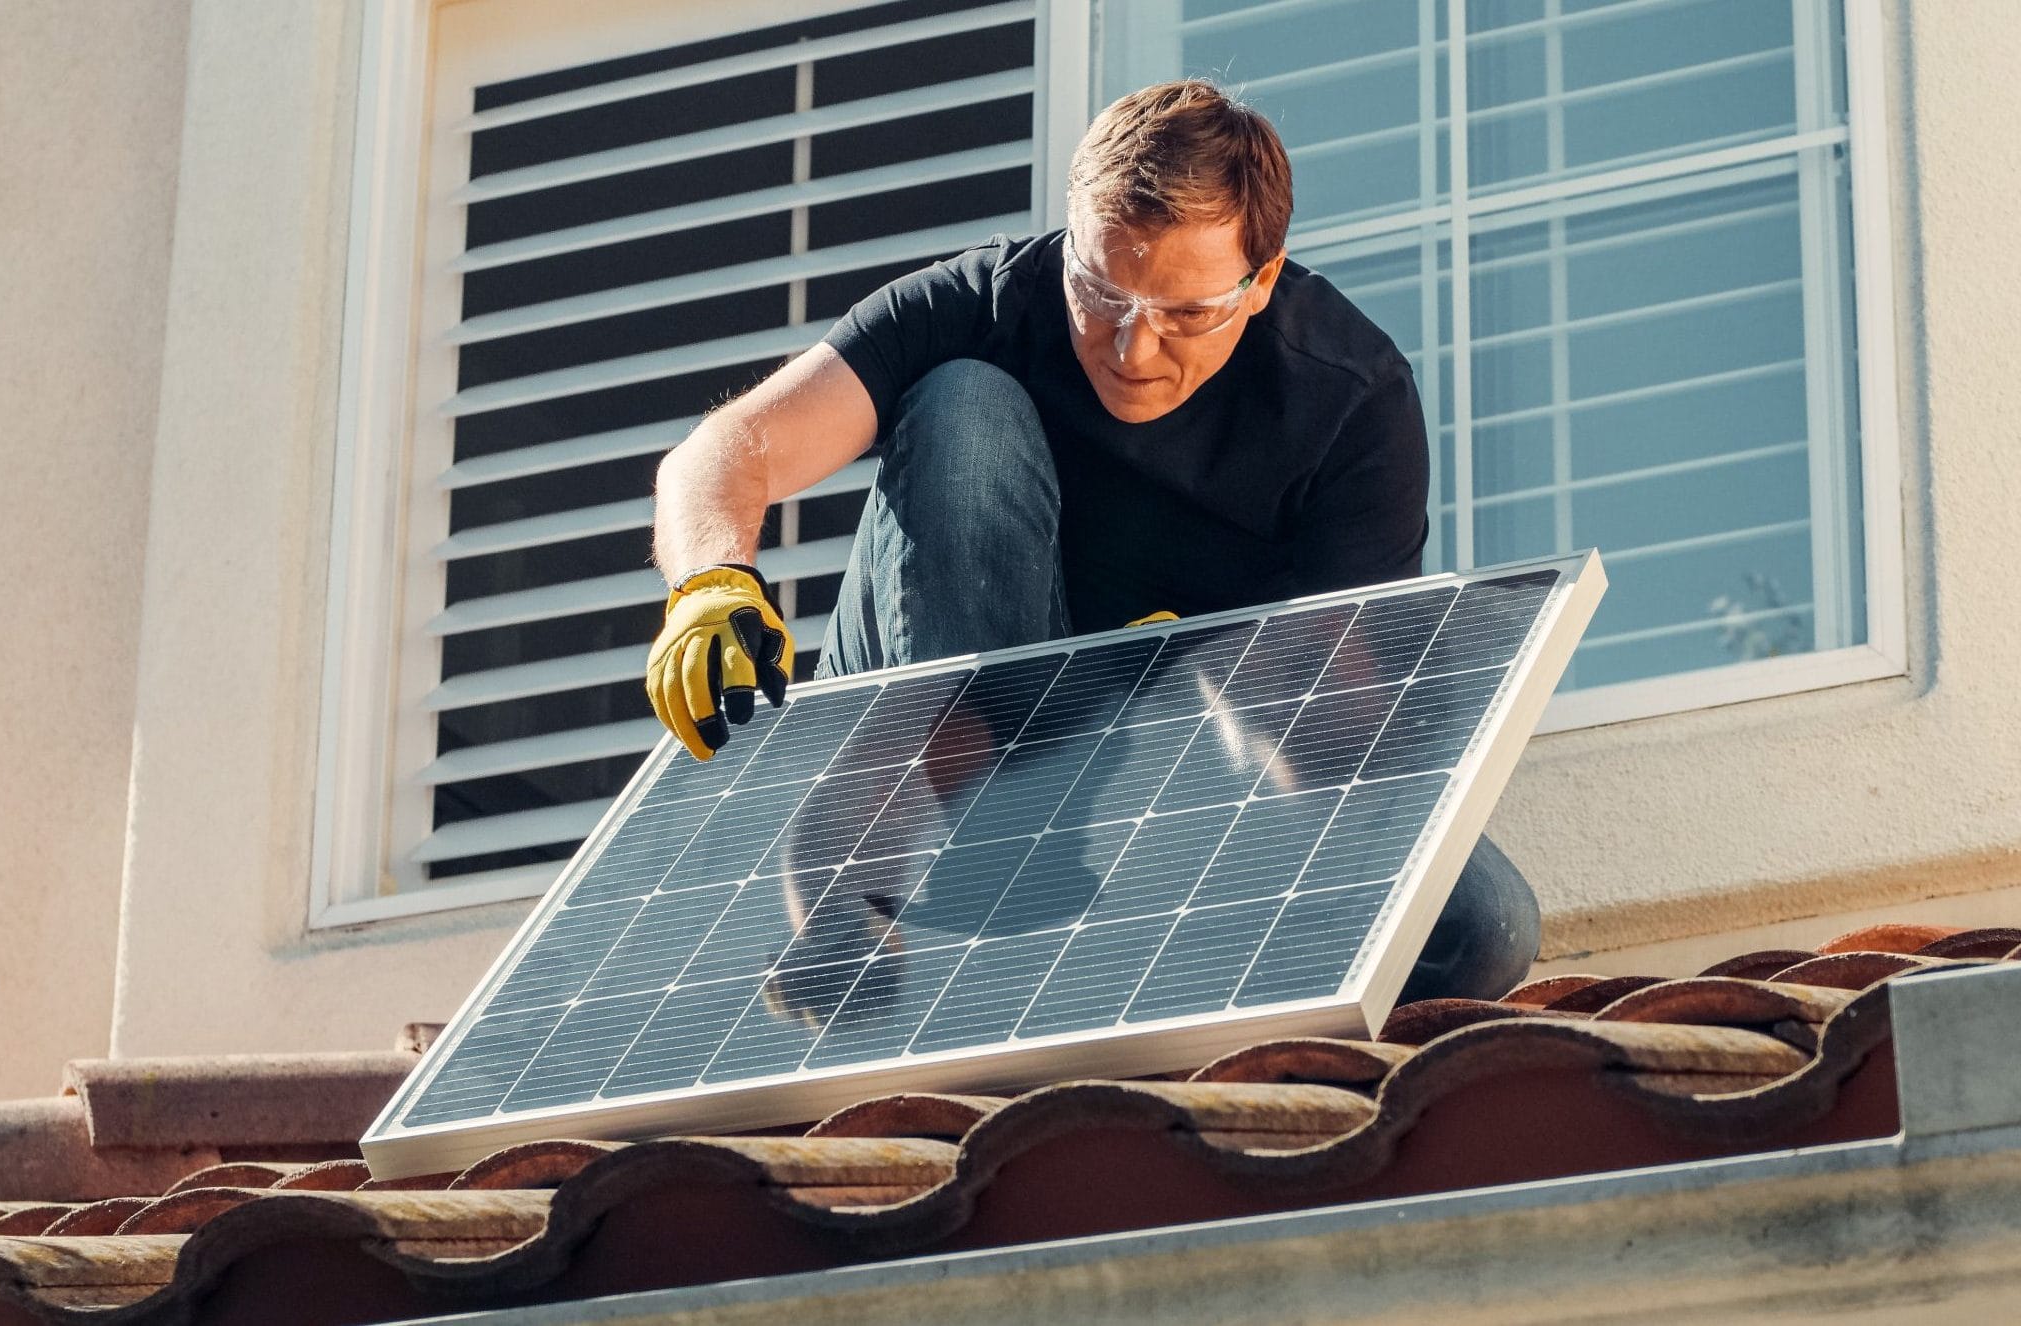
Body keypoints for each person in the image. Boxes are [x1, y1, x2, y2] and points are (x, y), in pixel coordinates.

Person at [642, 79, 1538, 1005]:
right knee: (963, 401)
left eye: (1187, 314)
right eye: (1100, 291)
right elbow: (724, 454)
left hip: (1176, 775)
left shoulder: (1348, 404)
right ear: (1069, 239)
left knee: (1478, 930)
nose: (1132, 348)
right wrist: (709, 584)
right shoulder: (985, 302)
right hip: (958, 731)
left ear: (1262, 280)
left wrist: (1241, 690)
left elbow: (1355, 748)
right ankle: (921, 839)